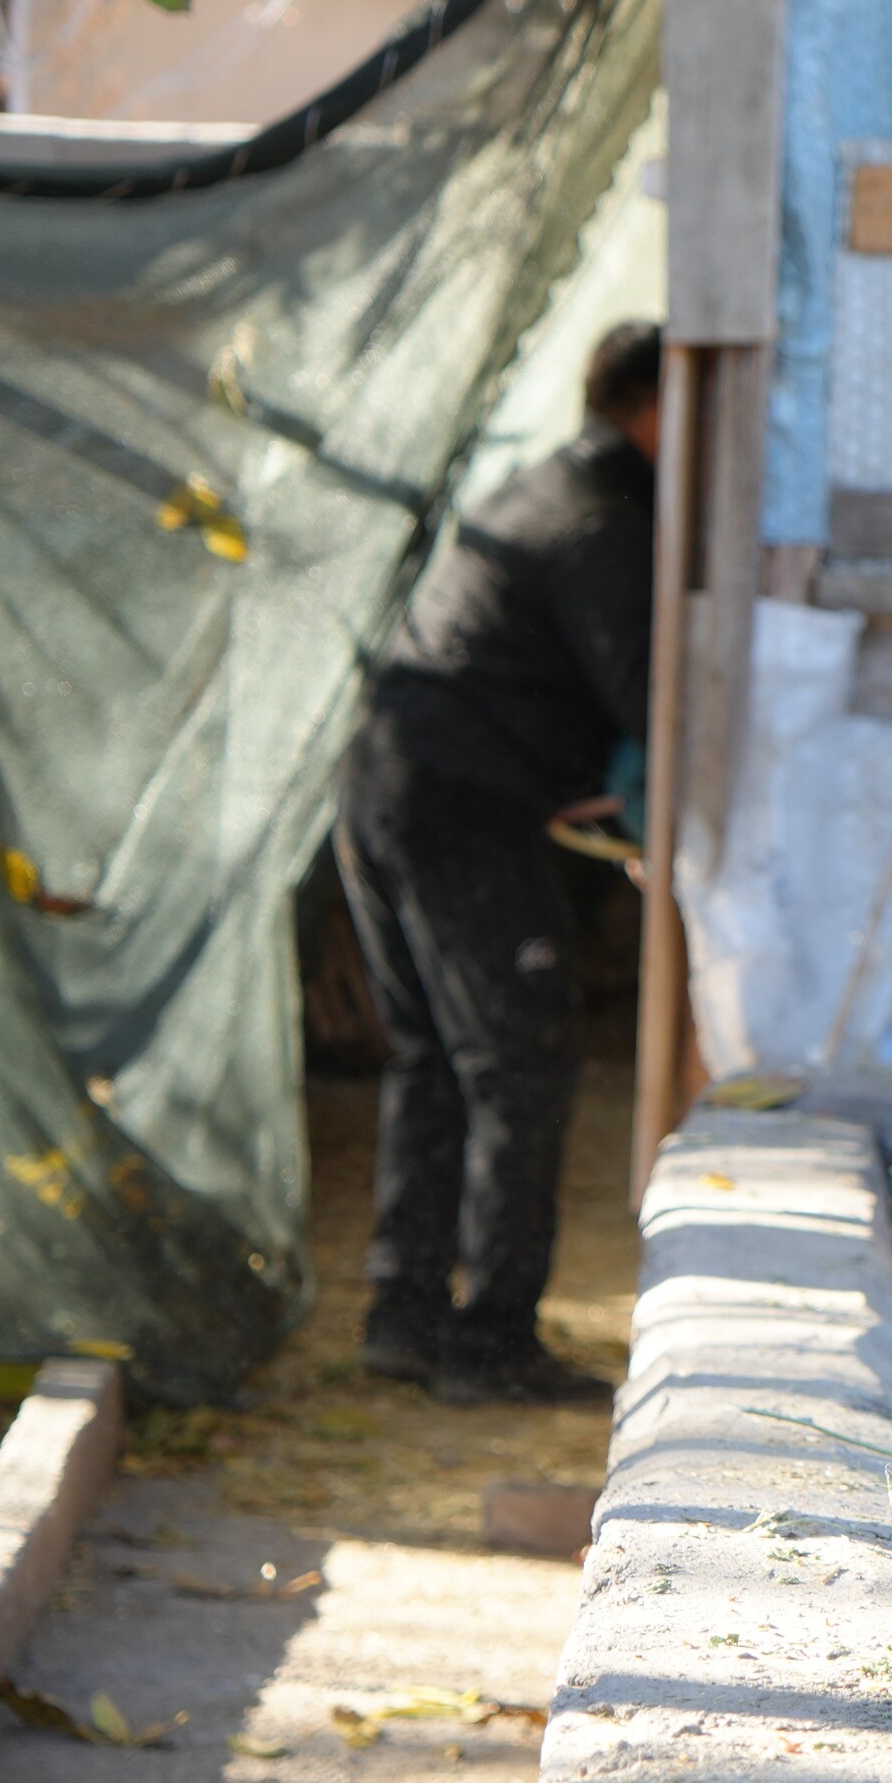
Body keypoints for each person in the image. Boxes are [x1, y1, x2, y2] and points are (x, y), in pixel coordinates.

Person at [337, 320, 661, 1404]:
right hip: (457, 801)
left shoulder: (549, 490)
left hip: (387, 776)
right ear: (657, 409)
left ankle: (406, 1312)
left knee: (435, 1054)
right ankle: (491, 1341)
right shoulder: (604, 518)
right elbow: (650, 695)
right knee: (519, 1059)